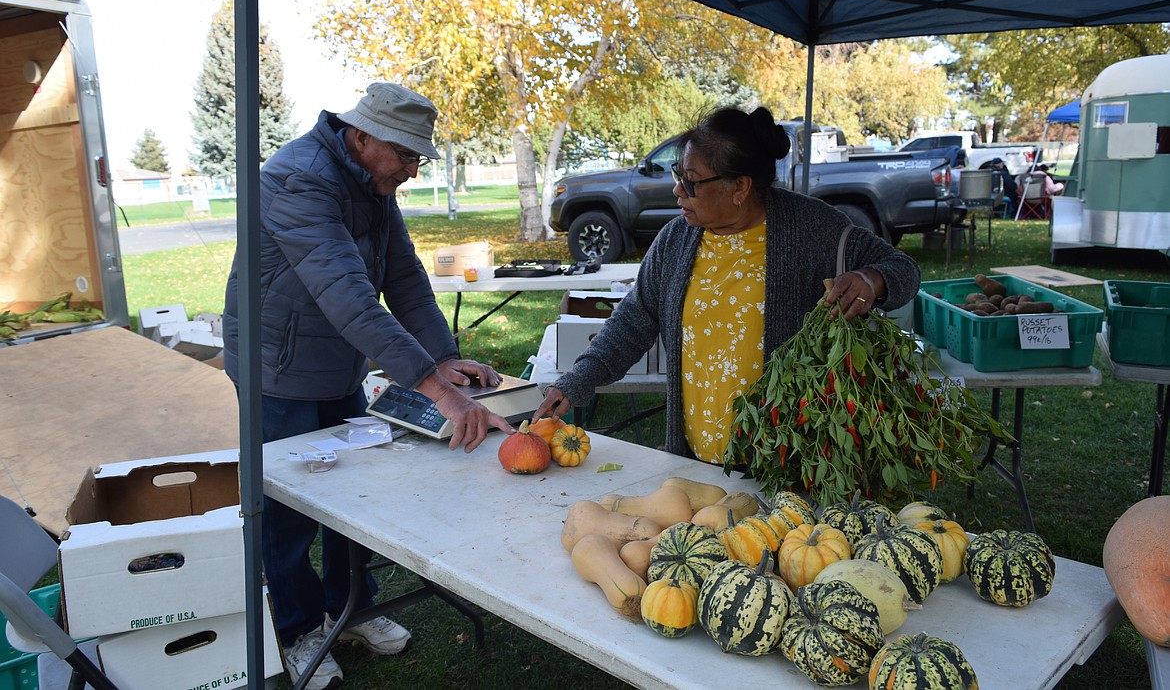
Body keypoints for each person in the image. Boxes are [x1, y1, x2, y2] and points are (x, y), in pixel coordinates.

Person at [222, 82, 512, 690]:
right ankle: (299, 626)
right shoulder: (297, 178)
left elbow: (403, 277)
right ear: (360, 136)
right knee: (290, 508)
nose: (412, 169)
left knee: (351, 494)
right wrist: (435, 387)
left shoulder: (371, 183)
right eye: (406, 156)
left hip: (336, 364)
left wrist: (446, 359)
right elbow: (348, 294)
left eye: (416, 159)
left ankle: (352, 609)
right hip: (278, 368)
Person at [532, 106, 921, 464]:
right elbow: (634, 319)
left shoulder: (815, 228)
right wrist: (578, 380)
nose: (678, 191)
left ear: (740, 187)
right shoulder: (676, 240)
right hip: (696, 461)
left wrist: (872, 280)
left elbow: (901, 267)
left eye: (692, 181)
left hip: (787, 462)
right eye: (677, 176)